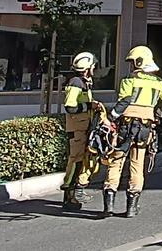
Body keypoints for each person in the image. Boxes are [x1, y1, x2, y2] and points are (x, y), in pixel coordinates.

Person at [103, 45, 162, 218]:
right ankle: (132, 208)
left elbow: (124, 101)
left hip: (125, 127)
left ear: (139, 62)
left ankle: (109, 206)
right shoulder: (159, 83)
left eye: (133, 62)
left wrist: (110, 118)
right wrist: (157, 115)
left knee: (116, 161)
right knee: (137, 165)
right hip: (145, 129)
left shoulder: (128, 80)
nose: (132, 65)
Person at [61, 52, 101, 211]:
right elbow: (70, 106)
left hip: (83, 128)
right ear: (86, 68)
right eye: (92, 66)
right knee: (75, 160)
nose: (94, 69)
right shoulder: (76, 83)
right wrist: (88, 106)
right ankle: (69, 194)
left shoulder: (83, 82)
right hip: (77, 129)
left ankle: (72, 195)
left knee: (81, 160)